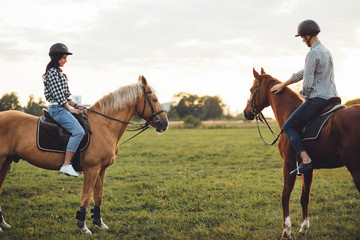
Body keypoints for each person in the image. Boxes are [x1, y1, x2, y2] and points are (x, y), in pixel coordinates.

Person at [270, 20, 338, 175]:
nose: (302, 40)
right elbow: (303, 72)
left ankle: (305, 159)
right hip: (332, 98)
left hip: (317, 99)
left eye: (302, 37)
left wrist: (303, 97)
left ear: (308, 35)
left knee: (288, 126)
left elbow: (307, 83)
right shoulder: (326, 51)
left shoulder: (312, 53)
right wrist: (284, 84)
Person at [43, 43, 85, 177]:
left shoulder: (60, 73)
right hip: (57, 109)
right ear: (57, 57)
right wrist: (70, 109)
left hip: (63, 107)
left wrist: (76, 105)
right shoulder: (52, 73)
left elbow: (66, 95)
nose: (66, 61)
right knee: (78, 131)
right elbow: (59, 96)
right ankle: (66, 165)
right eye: (64, 58)